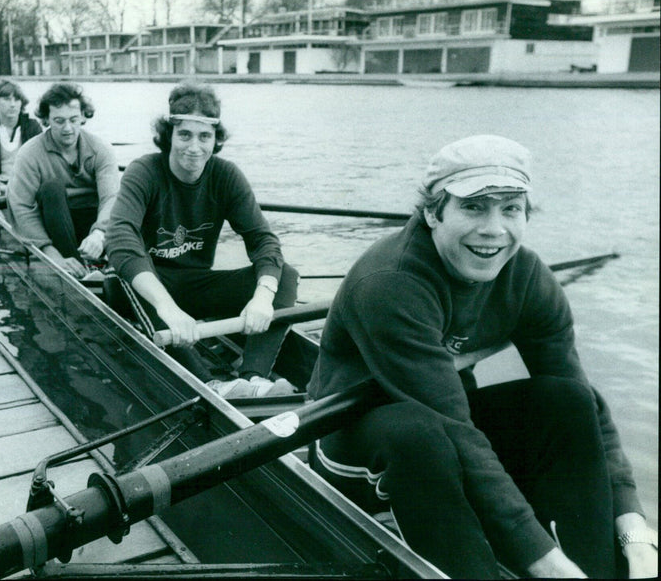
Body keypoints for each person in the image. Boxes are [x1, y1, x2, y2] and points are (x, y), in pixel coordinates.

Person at [307, 135, 657, 579]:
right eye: (473, 207)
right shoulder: (390, 282)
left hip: (450, 429)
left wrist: (635, 532)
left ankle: (601, 569)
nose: (494, 229)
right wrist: (548, 565)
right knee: (421, 435)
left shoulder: (528, 276)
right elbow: (454, 427)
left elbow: (587, 406)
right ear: (433, 213)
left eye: (510, 208)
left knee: (566, 401)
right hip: (354, 443)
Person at [105, 82, 299, 398]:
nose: (194, 147)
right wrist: (167, 307)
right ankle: (210, 384)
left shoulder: (226, 176)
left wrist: (263, 296)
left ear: (215, 140)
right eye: (185, 135)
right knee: (123, 281)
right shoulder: (144, 172)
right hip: (148, 288)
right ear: (168, 136)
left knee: (284, 275)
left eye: (204, 136)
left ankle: (253, 380)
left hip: (193, 284)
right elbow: (120, 239)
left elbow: (264, 240)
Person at [7, 83, 118, 278]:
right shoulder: (29, 154)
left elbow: (111, 198)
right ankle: (76, 268)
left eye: (73, 120)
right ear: (47, 120)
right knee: (52, 187)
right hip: (53, 220)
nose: (68, 128)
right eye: (59, 121)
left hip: (91, 221)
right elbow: (22, 208)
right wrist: (51, 254)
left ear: (83, 117)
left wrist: (100, 234)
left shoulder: (101, 149)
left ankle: (102, 259)